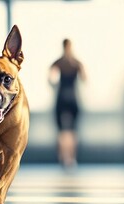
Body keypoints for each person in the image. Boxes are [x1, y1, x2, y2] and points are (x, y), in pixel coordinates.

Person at [48, 39, 87, 171]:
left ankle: (65, 157)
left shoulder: (59, 62)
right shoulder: (76, 62)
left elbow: (50, 79)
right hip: (72, 97)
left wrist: (53, 85)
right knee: (70, 131)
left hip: (62, 97)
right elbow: (84, 78)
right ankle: (70, 158)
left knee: (64, 131)